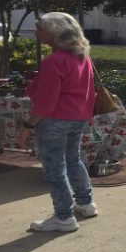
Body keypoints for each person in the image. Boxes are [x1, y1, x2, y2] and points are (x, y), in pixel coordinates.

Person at [17, 12, 98, 232]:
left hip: (55, 121)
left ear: (54, 32)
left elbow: (45, 102)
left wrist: (28, 126)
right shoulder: (82, 56)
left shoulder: (54, 61)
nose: (37, 32)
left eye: (40, 28)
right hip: (78, 117)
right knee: (73, 160)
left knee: (55, 168)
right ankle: (86, 202)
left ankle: (64, 217)